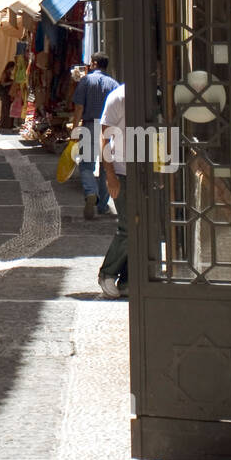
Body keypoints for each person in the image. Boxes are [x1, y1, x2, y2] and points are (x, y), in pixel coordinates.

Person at [72, 53, 119, 220]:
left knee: (86, 165)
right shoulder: (114, 84)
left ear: (93, 63)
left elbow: (79, 107)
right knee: (107, 166)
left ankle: (91, 192)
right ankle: (102, 205)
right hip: (109, 127)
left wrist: (75, 128)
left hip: (90, 125)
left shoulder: (86, 81)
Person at [99, 82, 128, 298]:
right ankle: (107, 273)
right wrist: (110, 175)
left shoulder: (155, 95)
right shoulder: (118, 97)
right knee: (128, 226)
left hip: (147, 170)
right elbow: (104, 138)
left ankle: (128, 279)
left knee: (143, 226)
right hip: (122, 171)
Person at [0, 61, 15, 132]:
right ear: (9, 67)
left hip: (6, 94)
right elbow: (3, 83)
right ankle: (4, 125)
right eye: (12, 68)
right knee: (5, 109)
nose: (12, 69)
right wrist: (11, 82)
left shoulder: (8, 73)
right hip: (4, 94)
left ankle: (7, 124)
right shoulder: (5, 73)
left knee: (7, 109)